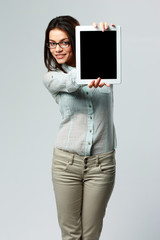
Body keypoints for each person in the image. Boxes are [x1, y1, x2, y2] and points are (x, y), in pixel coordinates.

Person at [43, 15, 117, 240]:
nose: (57, 49)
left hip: (101, 166)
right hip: (66, 165)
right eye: (52, 43)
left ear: (75, 42)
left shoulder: (105, 68)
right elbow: (73, 82)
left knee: (91, 235)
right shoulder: (52, 78)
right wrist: (94, 52)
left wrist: (103, 39)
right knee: (71, 236)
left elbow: (109, 63)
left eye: (64, 42)